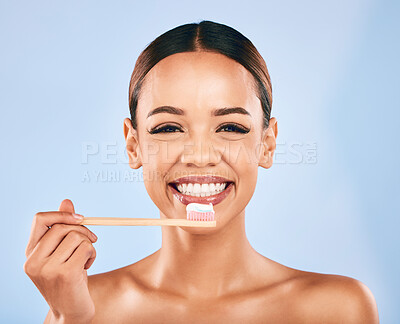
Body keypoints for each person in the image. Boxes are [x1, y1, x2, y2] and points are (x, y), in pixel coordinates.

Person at [23, 20, 379, 323]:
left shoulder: (338, 308)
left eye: (230, 127)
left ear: (267, 144)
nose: (200, 156)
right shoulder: (83, 305)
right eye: (168, 128)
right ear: (133, 146)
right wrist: (70, 319)